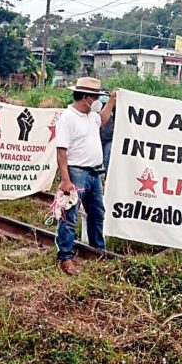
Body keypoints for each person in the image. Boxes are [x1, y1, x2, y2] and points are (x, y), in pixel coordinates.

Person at [55, 77, 116, 275]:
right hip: (76, 172)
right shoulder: (68, 118)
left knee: (97, 213)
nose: (98, 100)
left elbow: (103, 119)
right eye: (96, 97)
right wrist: (65, 180)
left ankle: (97, 251)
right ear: (86, 98)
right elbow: (61, 151)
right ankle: (65, 256)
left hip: (93, 172)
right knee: (69, 216)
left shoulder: (91, 116)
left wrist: (113, 100)